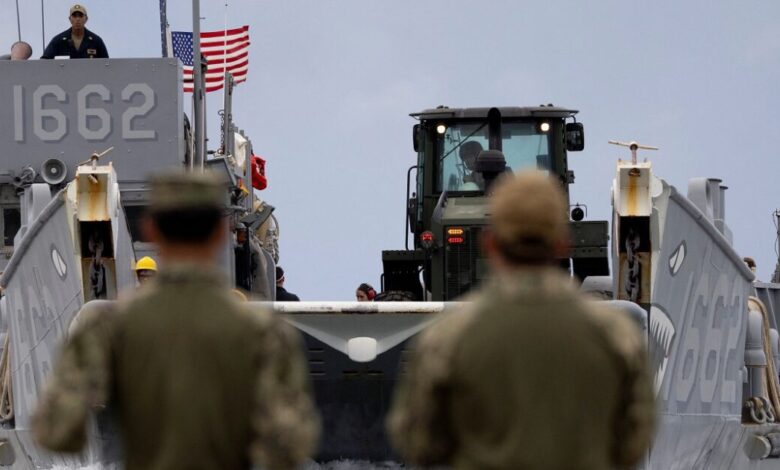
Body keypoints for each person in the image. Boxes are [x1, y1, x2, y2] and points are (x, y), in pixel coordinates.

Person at [33, 171, 320, 469]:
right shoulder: (263, 331)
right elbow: (290, 444)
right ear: (220, 232)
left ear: (152, 229)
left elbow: (58, 432)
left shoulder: (107, 326)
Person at [387, 170, 655, 469]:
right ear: (562, 243)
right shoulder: (615, 335)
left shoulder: (447, 338)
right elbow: (635, 440)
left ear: (489, 243)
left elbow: (418, 441)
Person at [41, 4, 108, 59]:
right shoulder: (59, 41)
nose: (77, 19)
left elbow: (107, 65)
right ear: (70, 19)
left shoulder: (96, 41)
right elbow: (44, 61)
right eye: (74, 16)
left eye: (80, 16)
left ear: (86, 19)